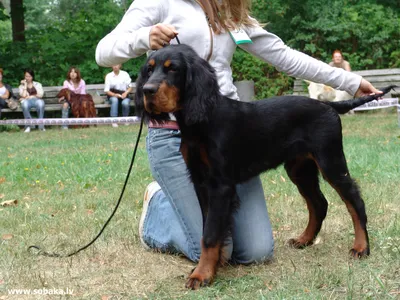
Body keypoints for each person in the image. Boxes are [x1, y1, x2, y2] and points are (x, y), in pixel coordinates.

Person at [96, 0, 382, 264]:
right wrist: (144, 38)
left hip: (228, 134)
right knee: (210, 251)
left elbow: (284, 56)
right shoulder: (157, 2)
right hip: (173, 136)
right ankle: (158, 208)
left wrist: (350, 80)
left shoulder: (228, 9)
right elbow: (104, 52)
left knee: (256, 252)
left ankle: (183, 206)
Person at [19, 68, 45, 133]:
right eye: (26, 76)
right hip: (27, 101)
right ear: (24, 77)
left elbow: (41, 95)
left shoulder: (38, 84)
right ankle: (29, 126)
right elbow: (24, 95)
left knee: (41, 104)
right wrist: (25, 86)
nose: (27, 78)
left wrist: (31, 96)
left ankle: (41, 126)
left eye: (29, 76)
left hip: (36, 100)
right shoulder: (21, 86)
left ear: (32, 77)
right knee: (24, 105)